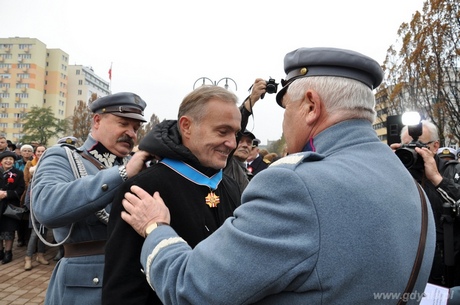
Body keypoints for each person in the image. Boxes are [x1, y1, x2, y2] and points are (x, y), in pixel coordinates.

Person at [119, 47, 437, 304]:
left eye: (287, 109)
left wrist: (156, 228)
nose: (285, 124)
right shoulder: (410, 183)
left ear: (311, 106)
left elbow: (191, 289)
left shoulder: (295, 184)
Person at [102, 85, 243, 305]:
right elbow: (123, 288)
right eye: (222, 132)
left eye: (236, 133)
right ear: (186, 126)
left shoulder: (231, 187)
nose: (232, 143)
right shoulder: (143, 189)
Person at [31, 92, 151, 305]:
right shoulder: (64, 156)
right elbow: (46, 207)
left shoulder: (135, 164)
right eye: (123, 123)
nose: (131, 133)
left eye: (135, 128)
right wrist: (121, 174)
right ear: (97, 120)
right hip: (87, 285)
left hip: (133, 279)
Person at [392, 121, 460, 287]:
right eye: (406, 145)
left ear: (435, 146)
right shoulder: (396, 172)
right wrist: (386, 166)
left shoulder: (453, 170)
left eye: (419, 145)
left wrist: (437, 179)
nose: (413, 150)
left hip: (451, 263)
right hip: (412, 265)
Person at [24, 144, 48, 270]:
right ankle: (28, 257)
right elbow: (28, 201)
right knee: (34, 235)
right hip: (35, 213)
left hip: (45, 212)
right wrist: (35, 210)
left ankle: (41, 255)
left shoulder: (47, 183)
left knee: (44, 234)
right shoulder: (32, 184)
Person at [0, 150, 25, 264]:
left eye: (11, 159)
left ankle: (8, 252)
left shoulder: (18, 173)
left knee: (9, 230)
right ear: (1, 161)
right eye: (6, 159)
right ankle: (0, 251)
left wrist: (6, 194)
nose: (8, 161)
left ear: (14, 161)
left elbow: (20, 189)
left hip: (10, 206)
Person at [14, 144, 35, 247]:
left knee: (28, 216)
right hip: (20, 191)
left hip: (30, 191)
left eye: (29, 151)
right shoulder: (17, 163)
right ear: (21, 152)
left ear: (32, 153)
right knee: (19, 215)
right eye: (24, 151)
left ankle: (27, 238)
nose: (27, 152)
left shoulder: (34, 163)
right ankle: (20, 238)